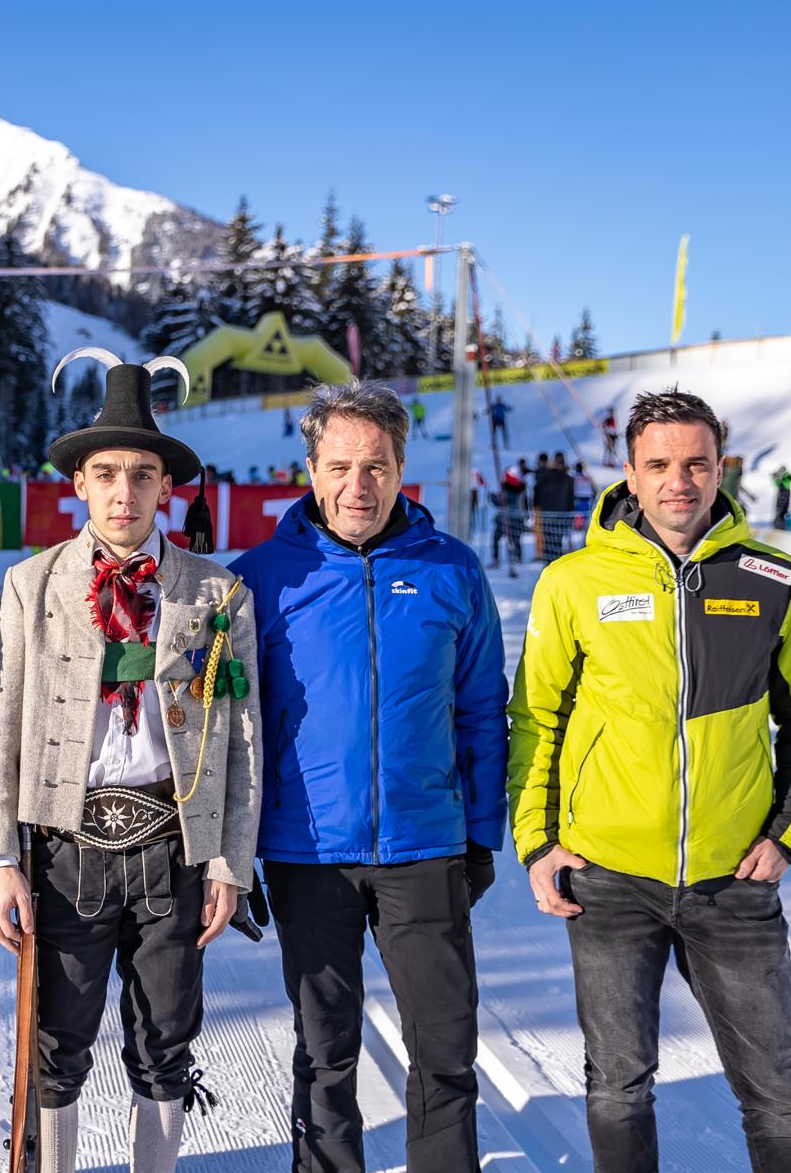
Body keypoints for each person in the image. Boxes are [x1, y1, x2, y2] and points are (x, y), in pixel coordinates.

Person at [509, 388, 791, 1173]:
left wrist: (789, 832)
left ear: (720, 466)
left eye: (697, 462)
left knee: (777, 1093)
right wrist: (537, 843)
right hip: (609, 875)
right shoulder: (574, 582)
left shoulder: (771, 576)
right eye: (658, 464)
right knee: (617, 1088)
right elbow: (536, 722)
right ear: (629, 473)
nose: (679, 481)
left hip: (732, 878)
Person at [0, 349, 261, 1173]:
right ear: (79, 483)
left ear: (166, 486)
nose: (124, 491)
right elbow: (4, 724)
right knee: (58, 1042)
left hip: (172, 848)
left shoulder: (215, 594)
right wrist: (0, 858)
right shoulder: (33, 584)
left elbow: (243, 740)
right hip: (66, 849)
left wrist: (229, 863)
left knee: (167, 1039)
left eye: (142, 474)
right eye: (107, 473)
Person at [232, 382, 510, 1172]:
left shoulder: (450, 569)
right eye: (342, 465)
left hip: (425, 846)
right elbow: (231, 727)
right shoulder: (260, 578)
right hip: (306, 851)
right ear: (312, 470)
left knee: (446, 1044)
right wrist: (238, 842)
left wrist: (480, 835)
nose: (361, 485)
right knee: (325, 1050)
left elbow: (485, 709)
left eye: (378, 465)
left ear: (401, 469)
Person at [772, 463, 791, 527]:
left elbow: (790, 479)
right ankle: (778, 520)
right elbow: (777, 483)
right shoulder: (778, 476)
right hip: (782, 490)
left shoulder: (786, 475)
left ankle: (782, 520)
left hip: (786, 490)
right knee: (780, 506)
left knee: (784, 506)